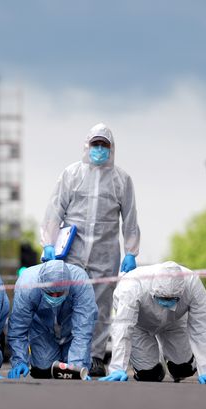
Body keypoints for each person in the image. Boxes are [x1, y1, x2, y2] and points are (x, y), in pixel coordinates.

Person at [40, 122, 141, 377]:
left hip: (104, 255)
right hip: (72, 251)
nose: (99, 149)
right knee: (66, 301)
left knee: (100, 306)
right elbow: (55, 210)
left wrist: (131, 251)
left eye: (103, 145)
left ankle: (95, 356)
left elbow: (129, 218)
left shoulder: (121, 180)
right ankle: (65, 351)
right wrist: (49, 244)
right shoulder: (71, 174)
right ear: (87, 146)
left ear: (112, 148)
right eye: (95, 144)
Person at [98, 262, 206, 384]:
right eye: (161, 298)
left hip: (174, 322)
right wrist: (118, 367)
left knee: (184, 370)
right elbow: (123, 327)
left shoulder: (192, 284)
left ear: (181, 291)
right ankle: (153, 361)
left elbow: (202, 326)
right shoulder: (132, 286)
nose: (165, 304)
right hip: (139, 325)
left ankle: (171, 358)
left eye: (171, 299)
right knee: (149, 375)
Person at [7, 260, 98, 379]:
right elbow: (18, 328)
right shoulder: (27, 286)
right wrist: (19, 361)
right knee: (43, 370)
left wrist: (77, 367)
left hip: (70, 328)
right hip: (42, 327)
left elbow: (83, 328)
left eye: (60, 293)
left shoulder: (80, 282)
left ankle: (90, 363)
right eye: (50, 293)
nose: (55, 297)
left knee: (73, 370)